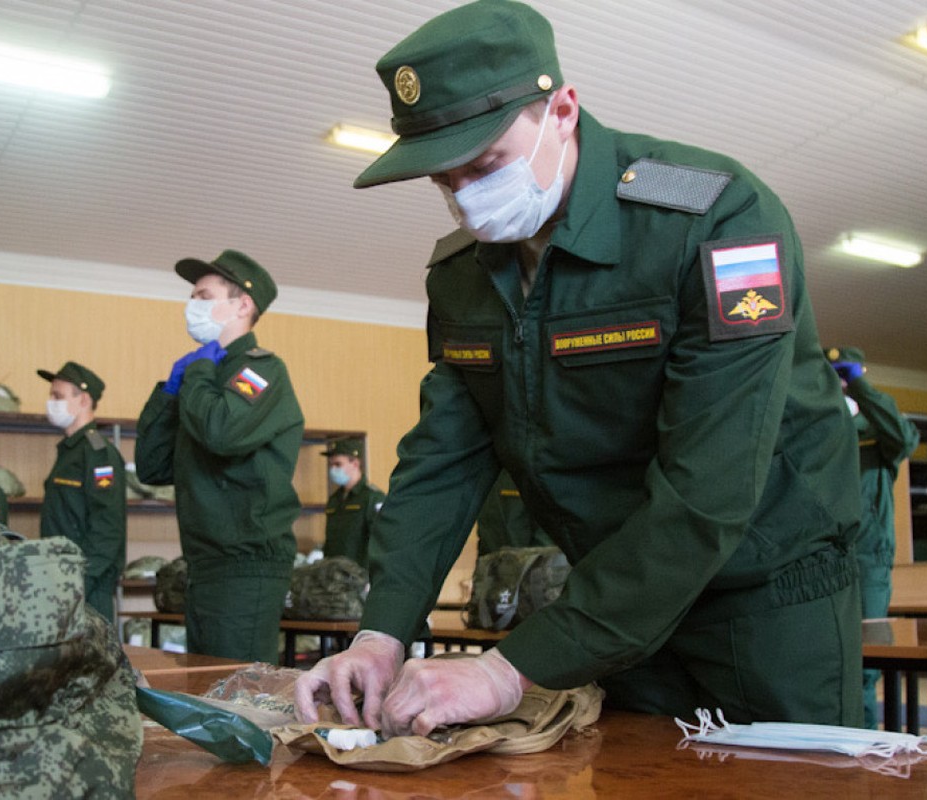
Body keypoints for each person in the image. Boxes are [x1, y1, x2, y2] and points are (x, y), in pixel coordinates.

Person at [295, 0, 860, 736]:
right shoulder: (462, 276)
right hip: (611, 598)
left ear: (562, 108)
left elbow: (708, 491)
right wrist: (381, 633)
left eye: (486, 164)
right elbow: (441, 465)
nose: (466, 198)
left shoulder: (717, 219)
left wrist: (506, 671)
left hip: (763, 595)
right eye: (445, 179)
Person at [134, 250, 305, 662]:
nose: (192, 306)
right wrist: (168, 393)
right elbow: (152, 466)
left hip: (246, 564)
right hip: (206, 563)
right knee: (207, 689)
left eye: (203, 295)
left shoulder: (260, 370)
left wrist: (195, 377)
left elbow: (223, 433)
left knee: (237, 696)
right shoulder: (204, 378)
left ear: (242, 304)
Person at [826, 346, 921, 728]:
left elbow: (904, 438)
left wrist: (861, 385)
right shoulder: (826, 427)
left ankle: (862, 744)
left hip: (867, 559)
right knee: (828, 658)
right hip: (823, 556)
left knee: (864, 660)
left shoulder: (878, 433)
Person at [37, 361, 127, 622]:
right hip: (61, 577)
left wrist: (80, 578)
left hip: (86, 584)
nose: (51, 402)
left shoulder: (97, 453)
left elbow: (107, 528)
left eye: (58, 396)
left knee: (89, 659)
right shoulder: (69, 451)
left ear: (84, 399)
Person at [321, 437, 386, 567]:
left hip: (360, 575)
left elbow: (381, 540)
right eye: (331, 464)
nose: (333, 469)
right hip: (334, 574)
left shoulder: (372, 497)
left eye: (338, 464)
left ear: (355, 463)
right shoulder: (334, 499)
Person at [475, 471, 553, 555]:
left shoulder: (533, 470)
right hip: (492, 560)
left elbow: (548, 530)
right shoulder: (485, 473)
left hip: (530, 562)